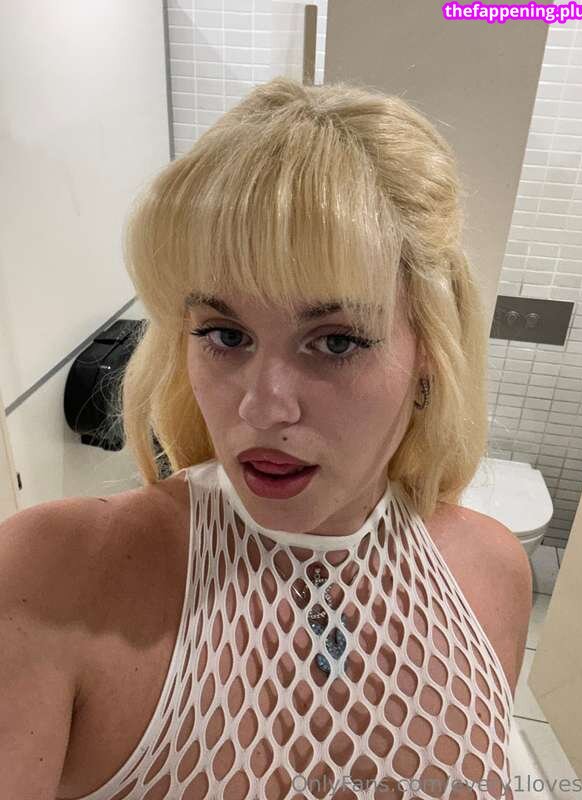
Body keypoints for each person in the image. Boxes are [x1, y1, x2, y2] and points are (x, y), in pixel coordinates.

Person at [0, 77, 532, 800]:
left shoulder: (493, 575)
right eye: (225, 334)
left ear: (429, 355)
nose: (261, 407)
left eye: (336, 341)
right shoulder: (54, 578)